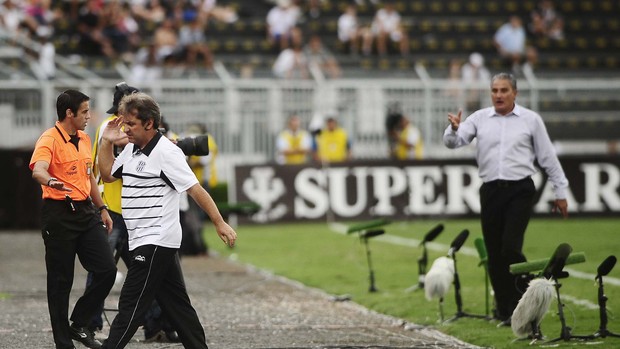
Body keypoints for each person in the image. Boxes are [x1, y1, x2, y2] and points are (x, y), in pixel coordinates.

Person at [97, 92, 237, 349]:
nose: (125, 128)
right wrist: (106, 142)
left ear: (149, 124)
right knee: (178, 307)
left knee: (130, 305)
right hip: (146, 240)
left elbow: (195, 189)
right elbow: (107, 175)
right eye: (124, 123)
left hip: (155, 240)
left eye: (131, 123)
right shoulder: (130, 149)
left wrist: (219, 222)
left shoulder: (167, 153)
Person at [443, 72, 569, 326]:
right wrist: (453, 128)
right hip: (490, 191)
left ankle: (528, 295)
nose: (498, 95)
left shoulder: (530, 120)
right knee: (494, 253)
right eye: (494, 91)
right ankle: (504, 310)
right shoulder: (478, 118)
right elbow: (454, 142)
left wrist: (561, 191)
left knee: (510, 247)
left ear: (515, 93)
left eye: (503, 90)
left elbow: (547, 157)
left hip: (520, 190)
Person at [29, 89, 117, 349]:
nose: (89, 116)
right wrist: (51, 180)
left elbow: (88, 175)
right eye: (85, 112)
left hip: (86, 212)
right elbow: (39, 170)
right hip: (58, 214)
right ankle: (63, 343)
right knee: (60, 281)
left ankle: (78, 323)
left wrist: (102, 208)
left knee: (106, 270)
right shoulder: (49, 139)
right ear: (70, 113)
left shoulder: (84, 138)